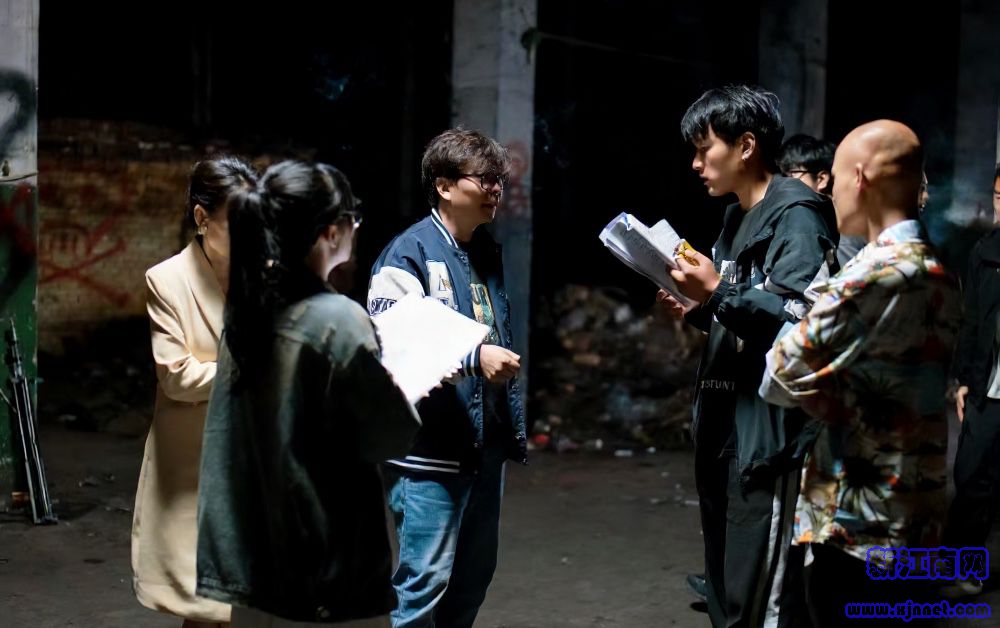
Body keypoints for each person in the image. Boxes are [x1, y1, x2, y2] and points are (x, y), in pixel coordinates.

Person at [195, 161, 421, 627]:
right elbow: (391, 436)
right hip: (326, 580)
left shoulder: (247, 311)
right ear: (331, 232)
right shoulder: (337, 320)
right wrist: (407, 383)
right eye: (354, 219)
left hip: (256, 573)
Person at [759, 120, 962, 626]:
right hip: (917, 511)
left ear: (861, 178)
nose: (830, 193)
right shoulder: (940, 271)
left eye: (836, 177)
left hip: (858, 524)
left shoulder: (873, 275)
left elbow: (781, 369)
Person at [658, 85, 837, 628]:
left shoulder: (798, 217)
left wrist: (718, 292)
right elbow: (739, 315)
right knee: (722, 576)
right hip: (721, 418)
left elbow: (799, 326)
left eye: (704, 149)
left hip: (763, 431)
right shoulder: (736, 217)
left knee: (758, 591)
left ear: (746, 146)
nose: (695, 164)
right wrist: (698, 307)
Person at [367, 128, 526, 628]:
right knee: (423, 584)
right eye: (485, 179)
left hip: (482, 446)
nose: (496, 189)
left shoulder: (484, 250)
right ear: (444, 185)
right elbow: (393, 346)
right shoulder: (407, 254)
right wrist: (475, 357)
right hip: (427, 452)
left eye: (499, 180)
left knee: (472, 579)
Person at [132, 156, 257, 628]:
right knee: (204, 606)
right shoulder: (167, 280)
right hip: (192, 460)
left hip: (255, 459)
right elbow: (176, 376)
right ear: (202, 218)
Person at [942, 162, 1000, 597]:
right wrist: (963, 379)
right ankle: (964, 566)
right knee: (970, 474)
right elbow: (972, 320)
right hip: (988, 387)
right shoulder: (986, 252)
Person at [778, 133, 866, 267]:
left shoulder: (844, 229)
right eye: (783, 176)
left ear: (821, 179)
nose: (784, 184)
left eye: (792, 174)